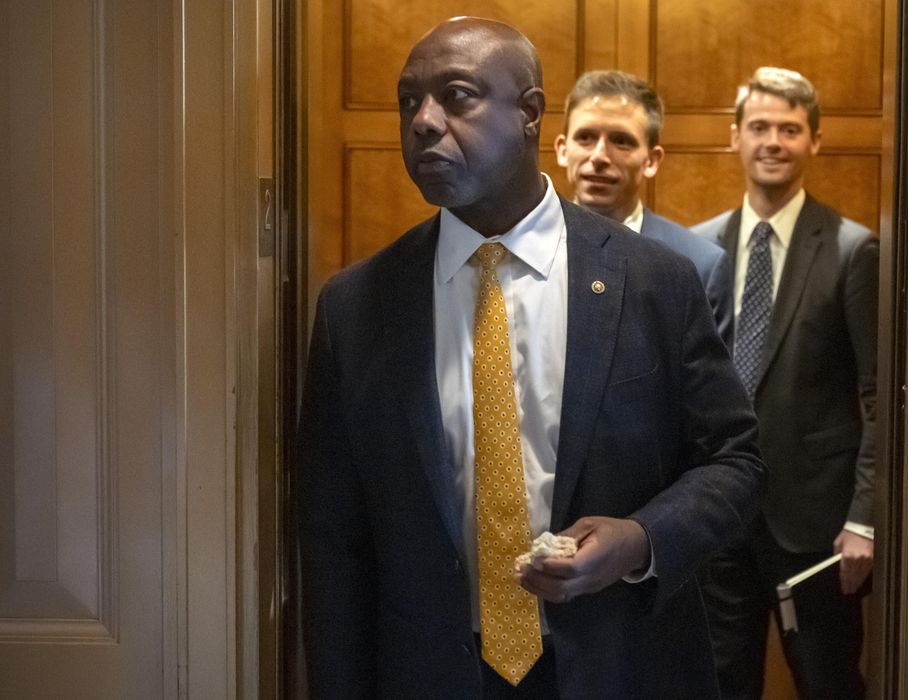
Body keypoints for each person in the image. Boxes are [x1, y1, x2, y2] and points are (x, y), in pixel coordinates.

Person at [297, 17, 765, 699]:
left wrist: (640, 539)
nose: (424, 121)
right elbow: (331, 537)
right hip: (431, 676)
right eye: (408, 101)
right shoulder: (357, 306)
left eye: (456, 96)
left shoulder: (653, 281)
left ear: (530, 113)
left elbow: (736, 462)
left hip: (619, 667)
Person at [693, 67, 878, 699]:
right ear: (736, 137)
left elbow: (877, 397)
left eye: (790, 130)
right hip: (719, 519)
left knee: (828, 684)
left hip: (817, 528)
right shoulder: (698, 250)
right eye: (760, 127)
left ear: (814, 142)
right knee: (721, 687)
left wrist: (864, 519)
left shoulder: (854, 250)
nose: (773, 141)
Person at [554, 70, 732, 344]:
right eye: (585, 137)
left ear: (652, 160)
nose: (599, 156)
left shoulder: (700, 265)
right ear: (563, 150)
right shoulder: (521, 251)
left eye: (621, 141)